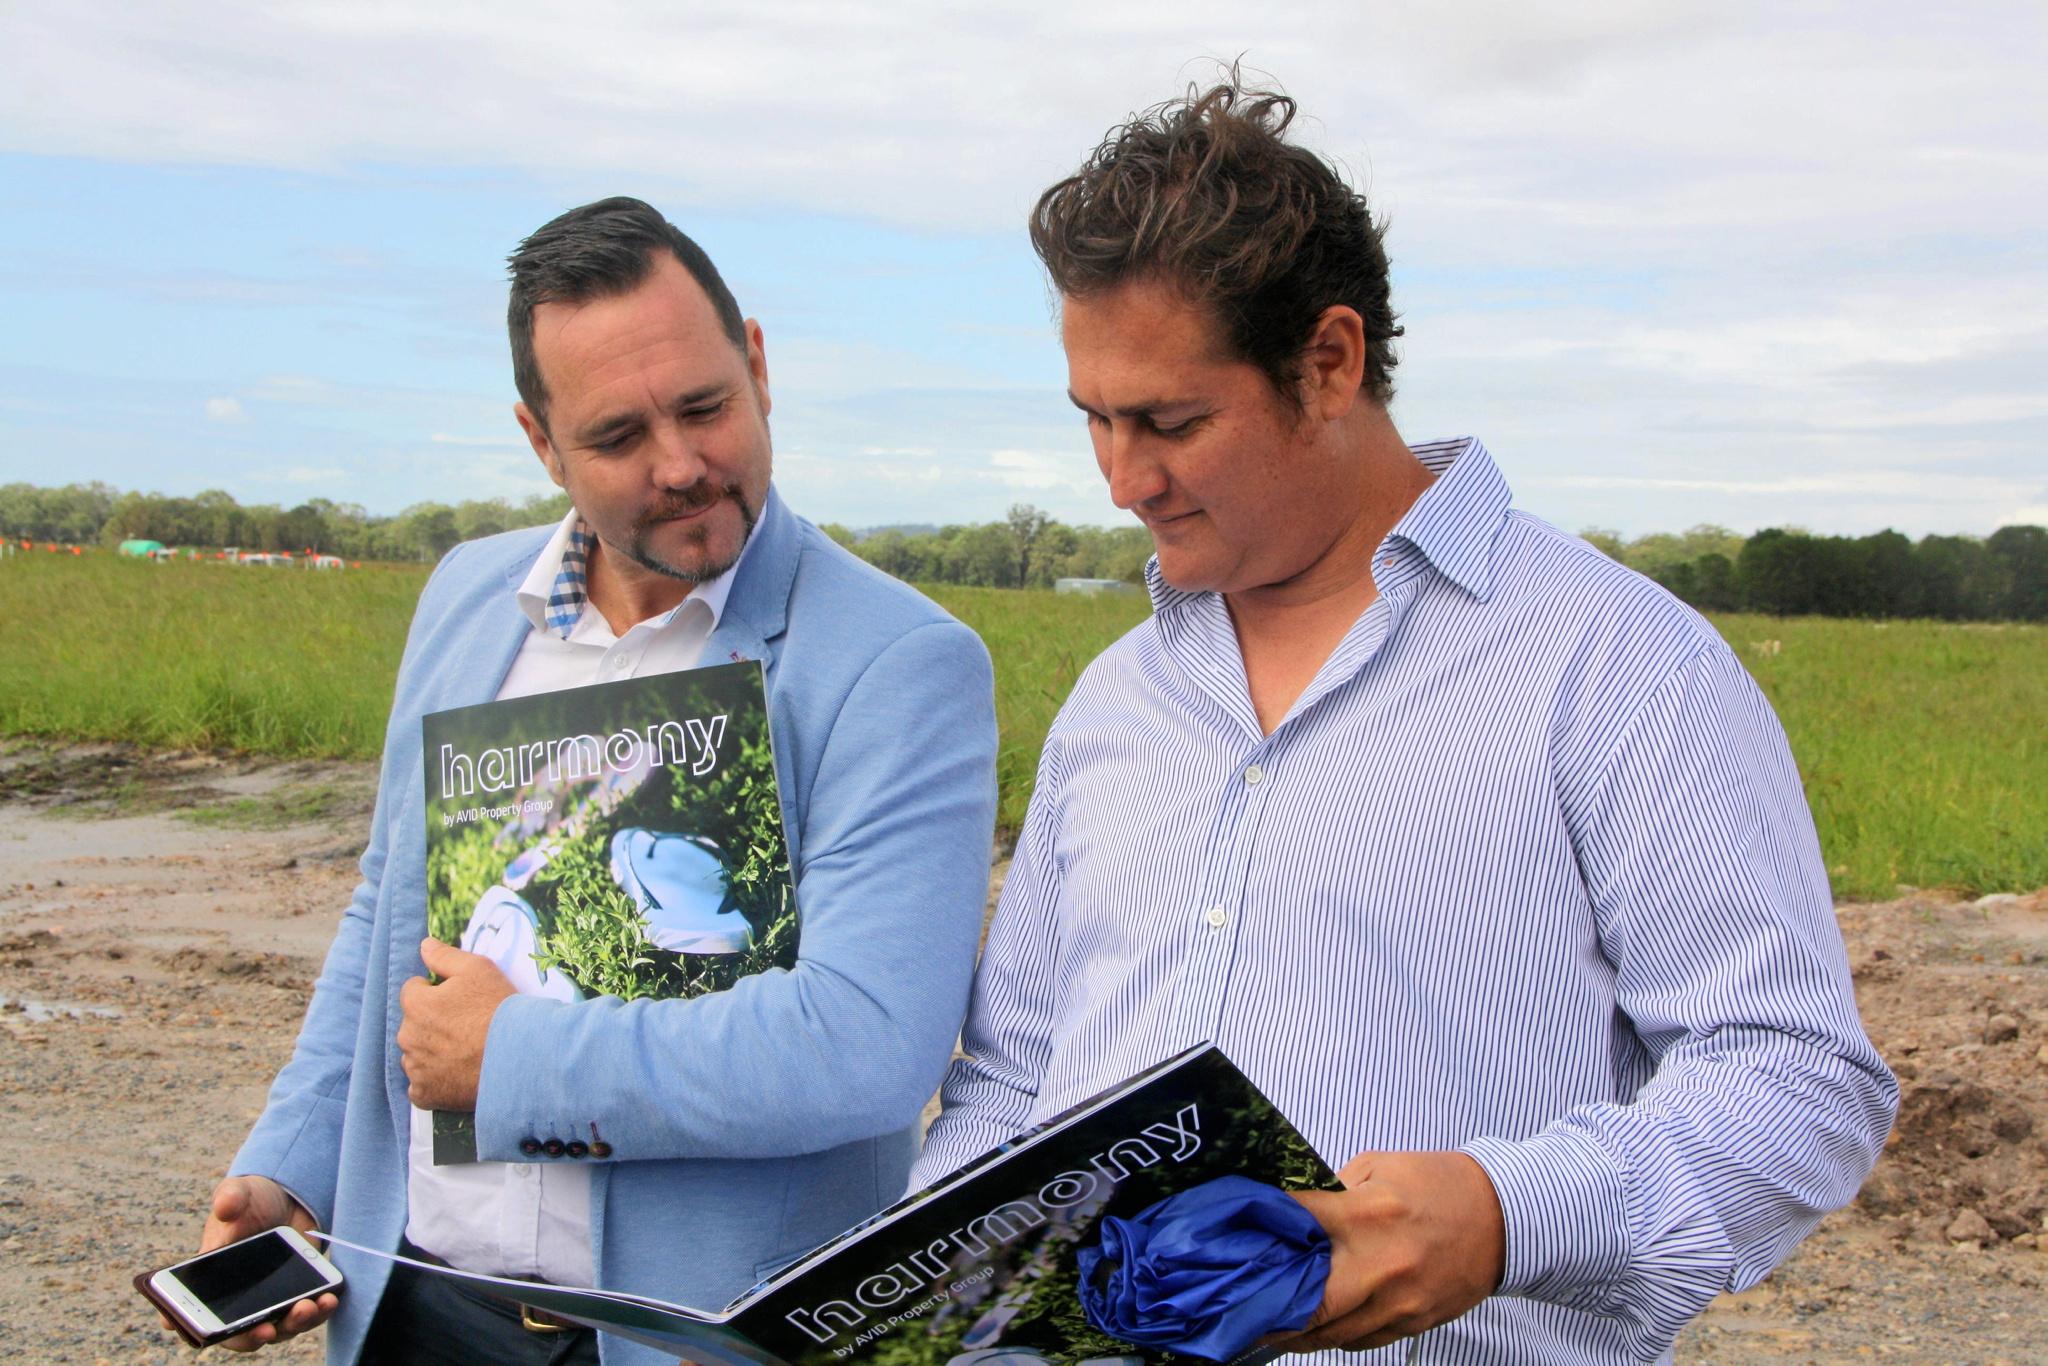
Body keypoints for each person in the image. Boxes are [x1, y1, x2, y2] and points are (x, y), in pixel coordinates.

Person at [911, 82, 1898, 1363]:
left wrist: (1504, 1214)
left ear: (1327, 361)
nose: (1121, 478)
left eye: (1169, 420)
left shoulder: (1615, 661)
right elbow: (1010, 1079)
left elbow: (1797, 1076)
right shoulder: (1114, 699)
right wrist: (916, 1296)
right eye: (1093, 418)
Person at [191, 197, 999, 1364]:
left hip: (678, 1340)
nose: (681, 465)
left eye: (705, 407)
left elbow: (866, 1046)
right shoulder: (467, 599)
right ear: (540, 441)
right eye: (618, 437)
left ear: (758, 365)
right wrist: (293, 1161)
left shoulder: (893, 661)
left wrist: (507, 1061)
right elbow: (387, 910)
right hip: (411, 1309)